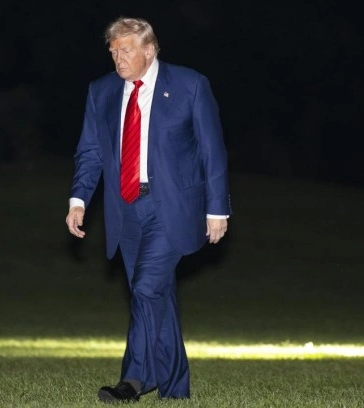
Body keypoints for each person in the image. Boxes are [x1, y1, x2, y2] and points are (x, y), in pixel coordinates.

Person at [65, 17, 231, 403]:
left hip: (172, 205)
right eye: (113, 52)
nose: (118, 59)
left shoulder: (189, 85)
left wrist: (217, 208)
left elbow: (212, 150)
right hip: (125, 207)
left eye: (125, 51)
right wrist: (78, 201)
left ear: (150, 50)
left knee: (144, 287)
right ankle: (174, 386)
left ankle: (134, 379)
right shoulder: (102, 91)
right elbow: (90, 151)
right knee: (156, 294)